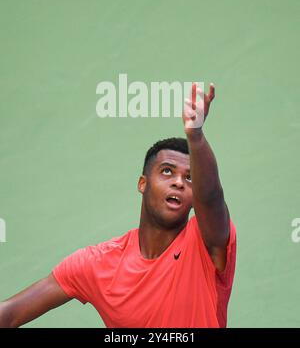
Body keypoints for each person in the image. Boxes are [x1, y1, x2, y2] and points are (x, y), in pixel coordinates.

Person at [0, 83, 236, 328]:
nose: (178, 182)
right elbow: (9, 314)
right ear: (142, 183)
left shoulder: (206, 245)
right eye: (167, 171)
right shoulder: (98, 263)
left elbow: (211, 197)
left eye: (189, 178)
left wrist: (195, 137)